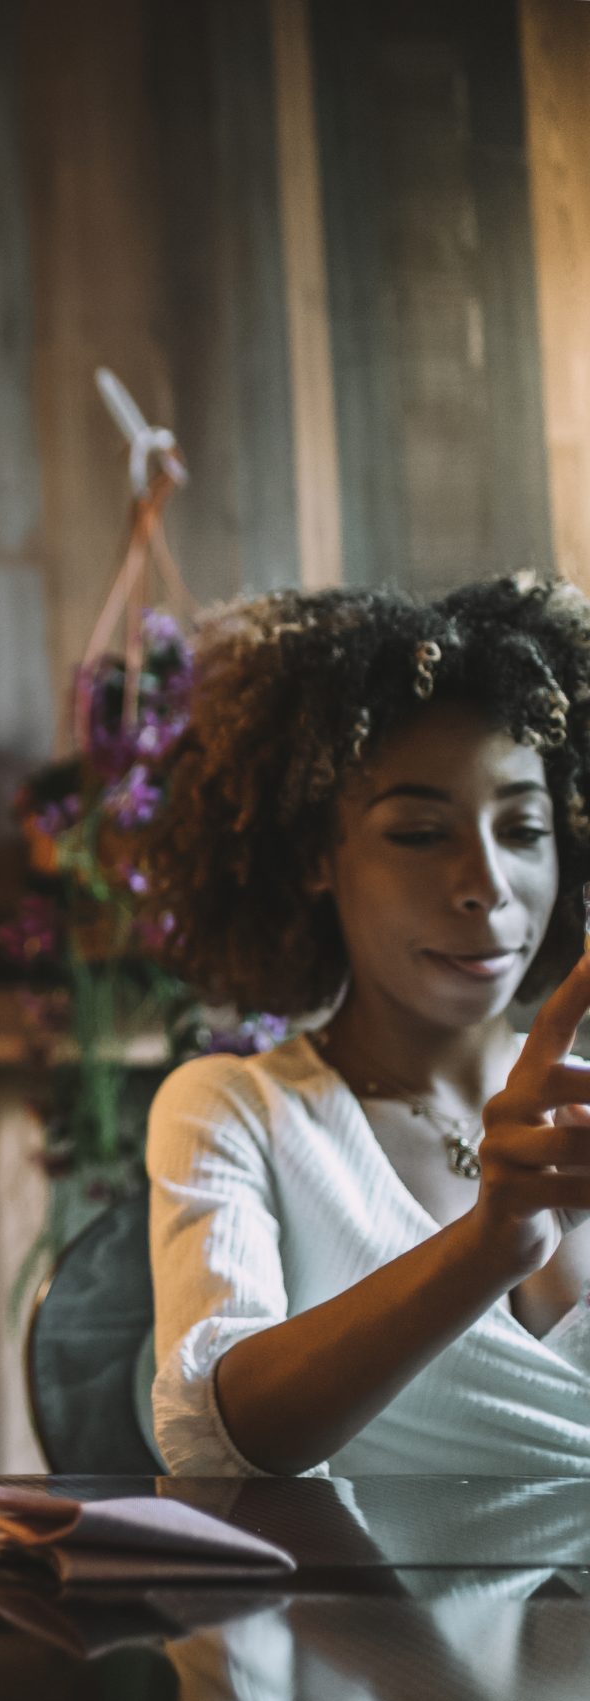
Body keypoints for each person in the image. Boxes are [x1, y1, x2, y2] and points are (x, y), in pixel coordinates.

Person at [143, 573, 590, 1476]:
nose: (487, 884)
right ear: (316, 855)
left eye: (522, 829)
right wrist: (486, 1245)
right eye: (421, 833)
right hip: (360, 1580)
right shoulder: (238, 1110)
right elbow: (211, 1439)